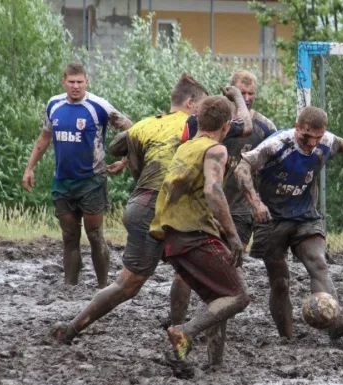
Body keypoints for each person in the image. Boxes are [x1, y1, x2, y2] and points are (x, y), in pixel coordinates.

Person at [49, 74, 251, 345]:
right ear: (191, 104)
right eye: (202, 105)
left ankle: (73, 329)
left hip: (139, 204)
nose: (203, 111)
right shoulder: (195, 124)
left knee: (129, 284)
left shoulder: (147, 124)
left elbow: (116, 145)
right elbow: (245, 126)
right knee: (181, 273)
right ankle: (181, 332)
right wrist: (236, 96)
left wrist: (130, 159)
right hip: (169, 208)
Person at [234, 106, 343, 341]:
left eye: (318, 138)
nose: (312, 144)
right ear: (298, 127)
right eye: (307, 138)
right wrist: (256, 204)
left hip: (305, 216)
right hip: (271, 220)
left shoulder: (325, 140)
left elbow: (340, 143)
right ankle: (288, 338)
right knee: (280, 283)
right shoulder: (277, 144)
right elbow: (242, 169)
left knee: (318, 262)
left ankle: (334, 322)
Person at [169, 70, 277, 328]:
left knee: (226, 276)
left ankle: (210, 330)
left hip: (237, 211)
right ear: (230, 91)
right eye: (243, 92)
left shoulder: (266, 127)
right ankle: (178, 324)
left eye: (252, 94)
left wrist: (259, 202)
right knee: (184, 276)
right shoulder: (208, 123)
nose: (248, 98)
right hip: (203, 208)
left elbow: (274, 166)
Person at [153, 96, 250, 366]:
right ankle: (184, 332)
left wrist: (216, 225)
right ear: (227, 125)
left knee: (218, 299)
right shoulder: (215, 149)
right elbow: (212, 190)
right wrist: (232, 236)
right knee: (238, 295)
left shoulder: (185, 148)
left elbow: (188, 195)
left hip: (172, 238)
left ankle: (212, 364)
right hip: (193, 236)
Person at [22, 61, 132, 288]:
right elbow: (44, 137)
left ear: (86, 82)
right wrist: (29, 167)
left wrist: (125, 161)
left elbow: (132, 130)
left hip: (92, 181)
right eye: (71, 82)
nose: (75, 87)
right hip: (62, 181)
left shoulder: (99, 106)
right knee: (69, 237)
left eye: (80, 82)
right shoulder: (54, 105)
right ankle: (69, 286)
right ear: (64, 82)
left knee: (94, 235)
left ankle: (104, 287)